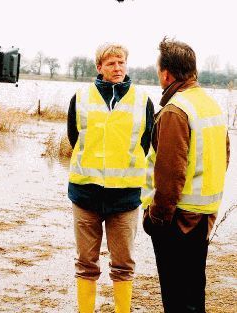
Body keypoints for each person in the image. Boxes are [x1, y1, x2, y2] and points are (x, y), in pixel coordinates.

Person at [142, 37, 230, 313]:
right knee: (193, 296)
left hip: (177, 220)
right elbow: (224, 156)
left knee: (177, 299)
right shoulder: (210, 105)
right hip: (203, 216)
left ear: (166, 74)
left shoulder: (175, 111)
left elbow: (170, 174)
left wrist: (156, 218)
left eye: (158, 73)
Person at [67, 43, 154, 313]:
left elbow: (146, 142)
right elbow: (74, 138)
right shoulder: (80, 97)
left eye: (121, 63)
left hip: (125, 197)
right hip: (85, 194)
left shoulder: (142, 100)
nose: (117, 68)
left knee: (124, 264)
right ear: (99, 67)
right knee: (86, 262)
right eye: (111, 63)